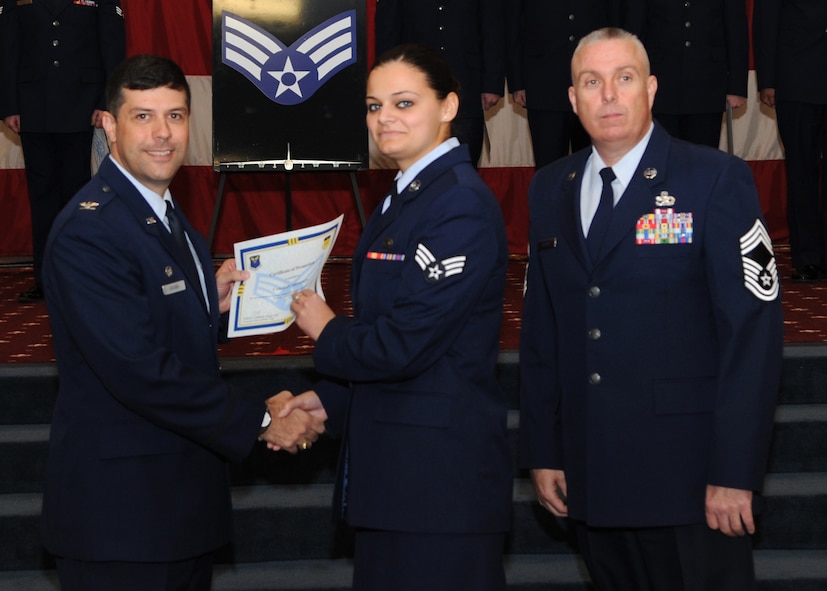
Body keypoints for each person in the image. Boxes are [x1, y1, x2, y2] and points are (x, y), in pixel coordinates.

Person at [39, 54, 324, 591]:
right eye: (143, 116)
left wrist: (203, 303)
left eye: (175, 115)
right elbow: (138, 369)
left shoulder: (164, 213)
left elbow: (148, 318)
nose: (162, 134)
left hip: (174, 510)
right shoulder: (91, 231)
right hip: (121, 520)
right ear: (108, 124)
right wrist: (262, 421)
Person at [520, 28, 783, 590]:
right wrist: (544, 451)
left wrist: (735, 473)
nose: (608, 95)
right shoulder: (549, 189)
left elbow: (751, 337)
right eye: (592, 82)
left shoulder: (715, 179)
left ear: (652, 89)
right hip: (590, 474)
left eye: (624, 78)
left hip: (689, 482)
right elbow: (543, 335)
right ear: (573, 99)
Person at [275, 44, 513, 590]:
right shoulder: (405, 195)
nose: (385, 118)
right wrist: (332, 397)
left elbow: (405, 343)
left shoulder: (459, 204)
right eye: (374, 105)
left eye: (404, 103)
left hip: (438, 484)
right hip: (399, 476)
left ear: (449, 105)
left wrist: (324, 326)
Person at [0, 0, 126, 303]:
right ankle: (46, 279)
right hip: (32, 106)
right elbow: (6, 46)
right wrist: (8, 105)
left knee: (81, 196)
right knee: (42, 197)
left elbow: (112, 44)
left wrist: (107, 101)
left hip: (83, 104)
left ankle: (81, 276)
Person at [375, 0, 506, 167]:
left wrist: (491, 84)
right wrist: (388, 83)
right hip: (414, 85)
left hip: (467, 84)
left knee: (465, 159)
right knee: (418, 163)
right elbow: (388, 32)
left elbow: (492, 29)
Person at [753, 0, 827, 283]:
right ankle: (807, 259)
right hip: (796, 80)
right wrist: (767, 80)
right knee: (801, 172)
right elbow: (766, 21)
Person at [505, 0, 617, 169]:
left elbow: (617, 21)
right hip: (543, 82)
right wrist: (517, 81)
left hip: (595, 84)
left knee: (596, 165)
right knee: (549, 167)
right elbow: (512, 25)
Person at [623, 0, 749, 149]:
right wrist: (629, 81)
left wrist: (736, 86)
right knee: (659, 157)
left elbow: (736, 29)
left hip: (707, 84)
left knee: (703, 160)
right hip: (659, 84)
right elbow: (634, 31)